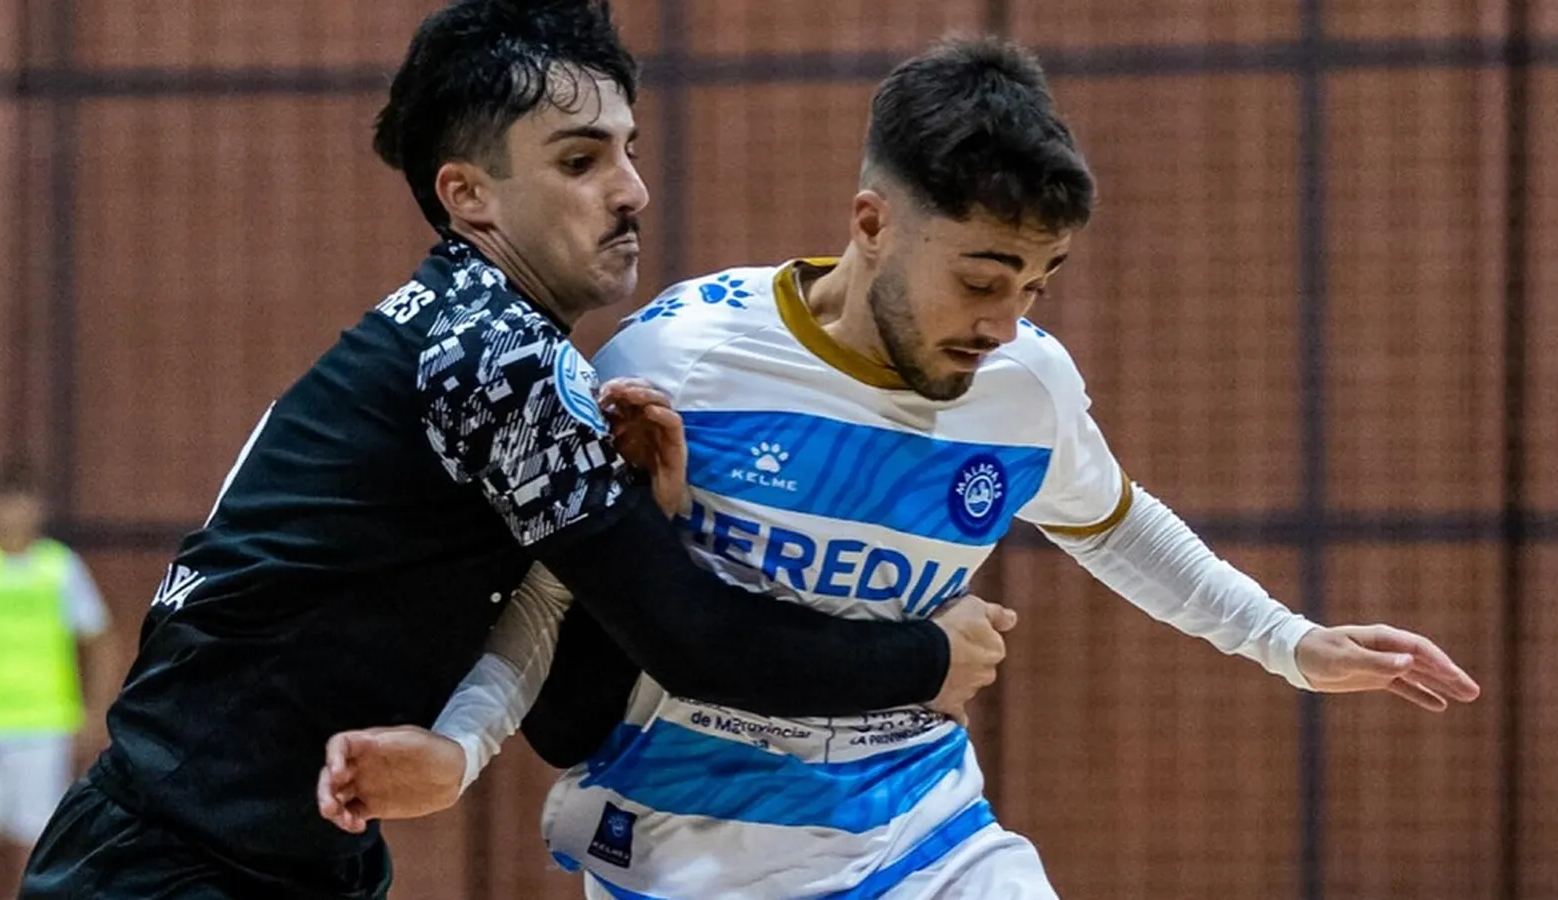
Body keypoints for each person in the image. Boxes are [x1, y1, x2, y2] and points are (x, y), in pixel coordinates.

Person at [319, 36, 1483, 899]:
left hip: (928, 836)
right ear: (871, 222)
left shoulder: (1026, 383)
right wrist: (461, 746)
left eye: (1037, 283)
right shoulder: (677, 360)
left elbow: (1115, 521)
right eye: (979, 278)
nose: (1004, 321)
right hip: (687, 850)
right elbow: (549, 595)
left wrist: (1289, 642)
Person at [17, 4, 1012, 899]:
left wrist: (639, 522)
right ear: (468, 196)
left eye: (628, 151)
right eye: (581, 162)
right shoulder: (490, 353)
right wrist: (924, 657)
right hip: (173, 863)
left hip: (283, 858)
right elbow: (699, 645)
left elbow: (570, 713)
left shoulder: (494, 346)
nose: (632, 191)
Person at [0, 464, 113, 900]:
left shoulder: (59, 567)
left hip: (45, 727)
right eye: (5, 503)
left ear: (38, 508)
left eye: (22, 502)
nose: (14, 513)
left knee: (34, 852)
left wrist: (95, 713)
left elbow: (99, 639)